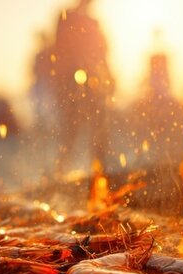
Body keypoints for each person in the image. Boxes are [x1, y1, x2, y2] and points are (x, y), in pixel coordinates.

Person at [52, 0, 115, 173]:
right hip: (71, 83)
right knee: (71, 128)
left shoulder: (94, 23)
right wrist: (60, 81)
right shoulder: (67, 17)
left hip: (94, 83)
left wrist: (108, 77)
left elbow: (102, 53)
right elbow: (59, 50)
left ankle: (100, 170)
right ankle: (62, 169)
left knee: (98, 125)